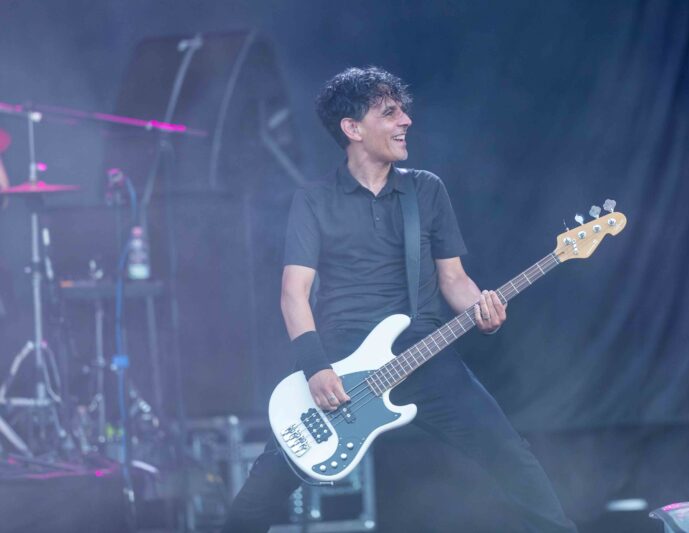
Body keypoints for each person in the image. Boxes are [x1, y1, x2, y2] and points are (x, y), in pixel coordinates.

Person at [222, 67, 577, 533]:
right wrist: (316, 368)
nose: (406, 120)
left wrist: (482, 309)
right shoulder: (313, 200)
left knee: (513, 461)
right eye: (389, 112)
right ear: (352, 128)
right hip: (339, 368)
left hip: (425, 354)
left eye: (403, 111)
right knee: (261, 494)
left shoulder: (425, 189)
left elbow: (454, 279)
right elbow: (294, 294)